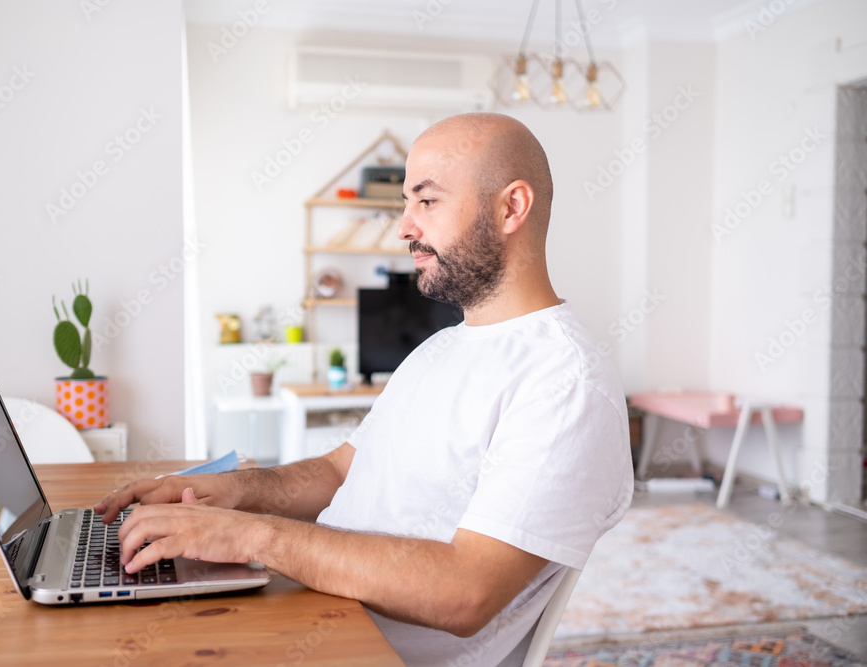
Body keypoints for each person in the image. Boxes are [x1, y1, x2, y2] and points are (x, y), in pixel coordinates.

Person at [95, 112, 634, 666]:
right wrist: (231, 493)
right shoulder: (442, 349)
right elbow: (340, 470)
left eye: (426, 201)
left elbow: (466, 592)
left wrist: (251, 536)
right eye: (406, 202)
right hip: (314, 612)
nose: (403, 227)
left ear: (510, 208)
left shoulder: (565, 381)